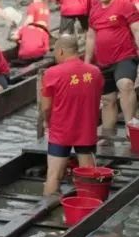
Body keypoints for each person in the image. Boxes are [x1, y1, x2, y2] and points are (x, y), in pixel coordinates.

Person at [41, 35, 103, 196]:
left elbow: (46, 107)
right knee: (89, 176)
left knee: (53, 176)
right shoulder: (95, 72)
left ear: (60, 50)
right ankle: (89, 208)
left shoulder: (52, 73)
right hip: (86, 130)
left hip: (60, 131)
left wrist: (47, 122)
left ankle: (48, 213)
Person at [85, 0, 139, 137]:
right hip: (103, 62)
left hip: (124, 57)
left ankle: (131, 127)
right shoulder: (94, 11)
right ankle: (108, 136)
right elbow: (90, 36)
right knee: (107, 100)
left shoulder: (125, 6)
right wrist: (87, 62)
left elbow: (136, 30)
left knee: (125, 85)